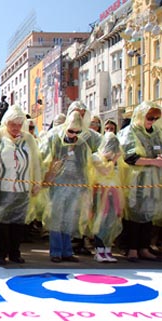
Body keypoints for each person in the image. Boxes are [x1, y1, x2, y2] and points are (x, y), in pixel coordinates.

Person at [0, 105, 42, 265]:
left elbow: (35, 162)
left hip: (22, 189)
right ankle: (0, 254)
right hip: (1, 187)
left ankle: (15, 253)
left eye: (19, 124)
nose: (15, 128)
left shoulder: (28, 139)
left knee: (17, 223)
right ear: (5, 123)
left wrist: (36, 182)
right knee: (0, 223)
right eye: (12, 124)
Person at [41, 110, 93, 263]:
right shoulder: (55, 140)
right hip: (57, 184)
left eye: (77, 132)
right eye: (71, 131)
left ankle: (67, 251)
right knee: (56, 218)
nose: (73, 134)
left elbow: (84, 165)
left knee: (70, 218)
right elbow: (48, 160)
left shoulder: (81, 144)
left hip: (75, 184)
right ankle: (56, 251)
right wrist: (47, 179)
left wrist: (84, 185)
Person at [117, 101, 162, 262]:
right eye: (150, 117)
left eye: (156, 118)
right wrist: (153, 161)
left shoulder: (156, 132)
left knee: (148, 214)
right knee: (134, 215)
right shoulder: (129, 132)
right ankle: (131, 248)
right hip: (135, 181)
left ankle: (144, 247)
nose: (152, 121)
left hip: (153, 181)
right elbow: (130, 158)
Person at [89, 132, 124, 263]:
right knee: (100, 221)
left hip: (114, 193)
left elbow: (119, 175)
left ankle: (108, 249)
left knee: (112, 220)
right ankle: (99, 249)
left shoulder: (117, 161)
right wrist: (113, 160)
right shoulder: (95, 157)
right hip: (100, 193)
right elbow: (105, 171)